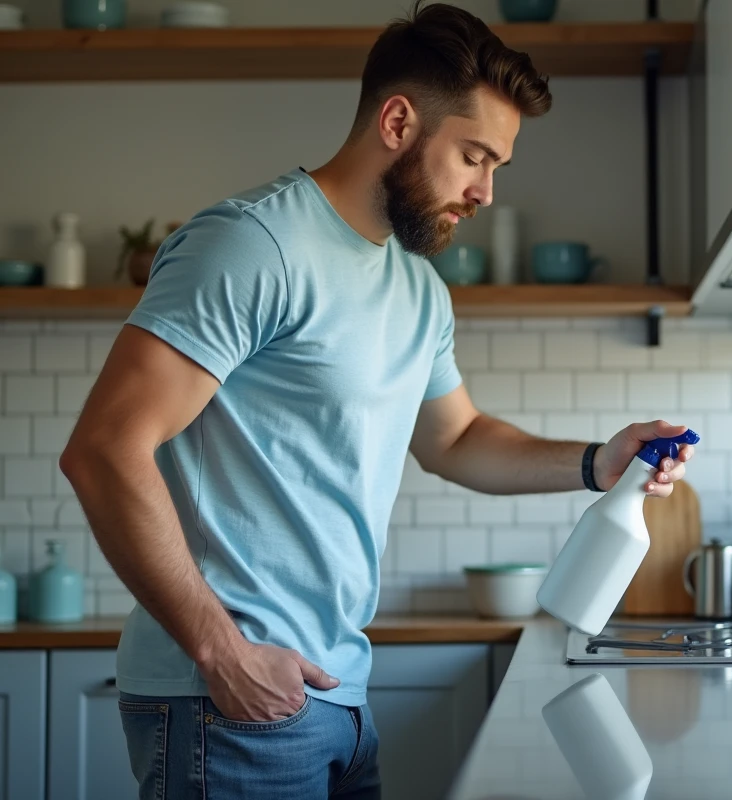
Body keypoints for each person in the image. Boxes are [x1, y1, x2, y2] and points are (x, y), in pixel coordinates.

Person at [59, 3, 694, 798]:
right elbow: (104, 449)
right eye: (474, 156)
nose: (487, 192)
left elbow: (455, 440)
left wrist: (600, 462)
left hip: (340, 698)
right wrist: (222, 653)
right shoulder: (252, 244)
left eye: (497, 166)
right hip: (228, 700)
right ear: (398, 120)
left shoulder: (418, 289)